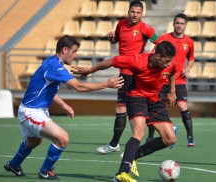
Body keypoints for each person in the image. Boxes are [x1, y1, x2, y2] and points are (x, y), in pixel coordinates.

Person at [3, 35, 123, 180]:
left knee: (35, 140)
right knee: (62, 138)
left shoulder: (51, 62)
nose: (75, 55)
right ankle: (45, 171)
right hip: (31, 112)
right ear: (65, 50)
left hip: (35, 110)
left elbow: (48, 91)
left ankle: (14, 165)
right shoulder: (55, 66)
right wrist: (106, 84)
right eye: (74, 51)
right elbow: (78, 86)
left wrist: (63, 104)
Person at [72, 41, 176, 182]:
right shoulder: (137, 61)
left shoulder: (170, 63)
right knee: (139, 132)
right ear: (157, 56)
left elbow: (172, 72)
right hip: (136, 97)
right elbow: (112, 61)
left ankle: (132, 155)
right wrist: (90, 70)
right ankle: (121, 174)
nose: (169, 64)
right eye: (166, 61)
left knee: (170, 138)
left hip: (155, 99)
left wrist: (172, 91)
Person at [96, 0, 159, 154]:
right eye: (132, 12)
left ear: (141, 14)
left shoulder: (146, 28)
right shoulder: (121, 24)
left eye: (137, 12)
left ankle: (158, 131)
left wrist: (150, 58)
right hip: (123, 73)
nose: (134, 15)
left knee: (139, 107)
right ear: (128, 11)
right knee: (121, 107)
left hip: (137, 74)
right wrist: (111, 37)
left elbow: (159, 41)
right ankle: (115, 144)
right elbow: (116, 40)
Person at [146, 13, 195, 147]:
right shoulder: (163, 39)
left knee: (182, 106)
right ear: (173, 24)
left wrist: (188, 68)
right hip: (161, 80)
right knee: (154, 106)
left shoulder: (189, 42)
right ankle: (151, 136)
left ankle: (190, 137)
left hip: (179, 80)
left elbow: (191, 58)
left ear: (185, 25)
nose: (179, 26)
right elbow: (153, 55)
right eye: (177, 23)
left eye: (182, 23)